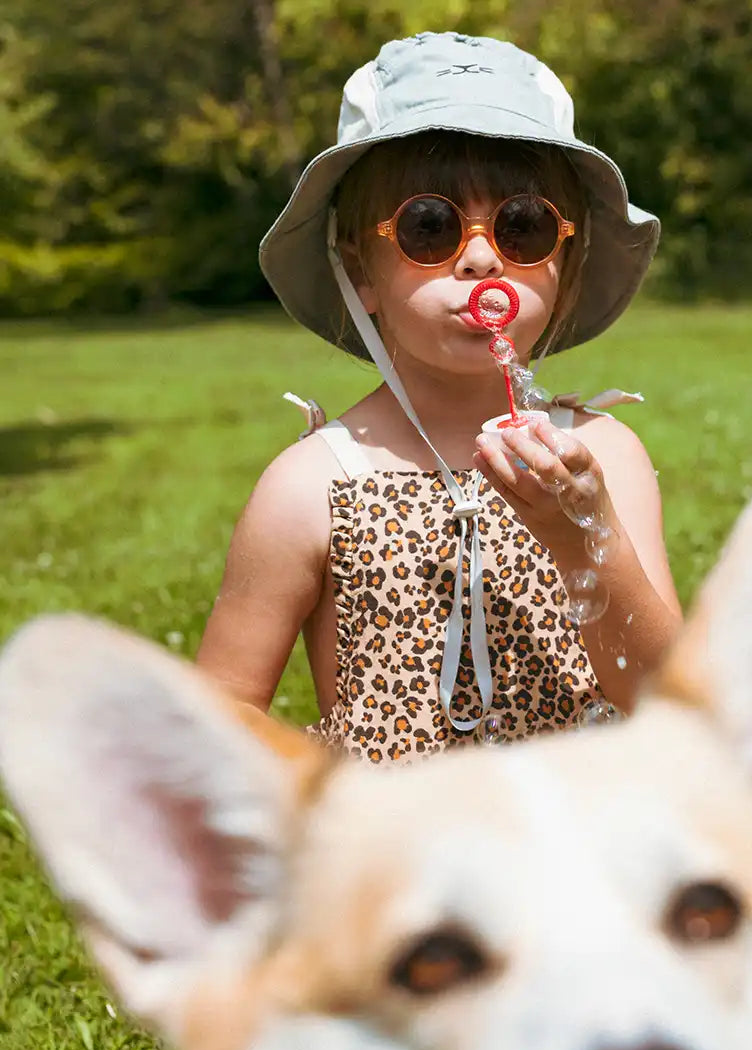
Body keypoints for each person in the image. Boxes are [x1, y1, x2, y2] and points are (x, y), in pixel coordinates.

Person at [196, 31, 681, 762]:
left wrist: (583, 541)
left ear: (566, 260)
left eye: (525, 228)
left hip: (578, 854)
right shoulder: (312, 486)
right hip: (398, 864)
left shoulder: (603, 457)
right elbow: (218, 718)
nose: (482, 258)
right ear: (359, 268)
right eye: (431, 228)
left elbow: (668, 703)